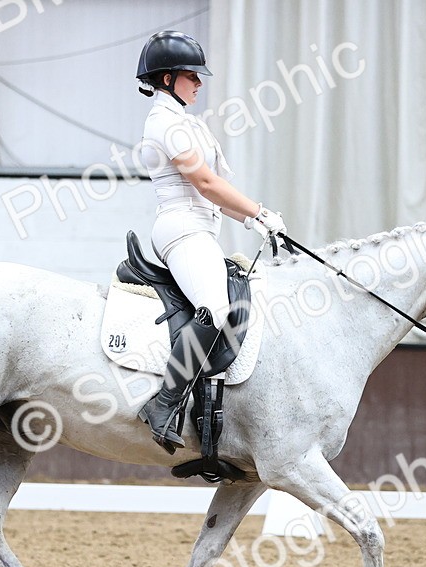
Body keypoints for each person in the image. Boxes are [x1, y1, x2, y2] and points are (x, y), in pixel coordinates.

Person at [134, 30, 286, 451]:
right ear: (166, 79)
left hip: (199, 227)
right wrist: (258, 211)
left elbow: (216, 192)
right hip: (181, 229)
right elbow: (203, 182)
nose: (199, 82)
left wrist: (260, 222)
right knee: (216, 307)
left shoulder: (187, 122)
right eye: (190, 75)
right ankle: (163, 403)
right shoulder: (165, 123)